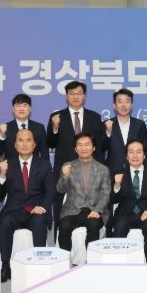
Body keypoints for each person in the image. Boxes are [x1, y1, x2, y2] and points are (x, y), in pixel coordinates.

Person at [0, 129, 55, 282]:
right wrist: (2, 175)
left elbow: (51, 191)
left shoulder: (44, 164)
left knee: (39, 221)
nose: (24, 144)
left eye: (28, 140)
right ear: (15, 145)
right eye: (20, 140)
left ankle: (39, 263)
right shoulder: (7, 164)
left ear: (34, 144)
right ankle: (5, 266)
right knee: (5, 222)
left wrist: (43, 207)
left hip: (35, 210)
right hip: (14, 211)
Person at [47, 82, 103, 233]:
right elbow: (50, 143)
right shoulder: (56, 117)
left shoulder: (94, 117)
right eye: (72, 93)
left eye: (79, 93)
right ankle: (60, 235)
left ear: (84, 96)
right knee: (61, 205)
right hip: (65, 169)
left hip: (89, 169)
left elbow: (98, 146)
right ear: (66, 97)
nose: (75, 97)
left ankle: (91, 237)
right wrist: (55, 127)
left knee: (90, 207)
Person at [56, 133, 111, 253]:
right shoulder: (68, 166)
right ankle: (65, 259)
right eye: (80, 145)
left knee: (93, 225)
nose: (83, 148)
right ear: (76, 149)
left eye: (87, 145)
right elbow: (60, 190)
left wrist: (97, 210)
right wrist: (65, 177)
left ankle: (91, 259)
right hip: (72, 210)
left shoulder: (103, 169)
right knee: (64, 227)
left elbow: (105, 194)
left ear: (93, 148)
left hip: (93, 210)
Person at [110, 140, 147, 263]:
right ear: (126, 156)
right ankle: (118, 263)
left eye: (138, 152)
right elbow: (113, 199)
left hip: (146, 212)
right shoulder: (119, 174)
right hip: (125, 213)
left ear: (144, 155)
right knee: (119, 225)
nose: (135, 155)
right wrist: (117, 185)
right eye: (131, 152)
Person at [99, 88, 147, 175]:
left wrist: (145, 171)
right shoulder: (106, 124)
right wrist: (108, 132)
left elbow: (146, 150)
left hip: (135, 172)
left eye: (127, 101)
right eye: (120, 102)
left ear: (131, 105)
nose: (123, 105)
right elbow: (101, 148)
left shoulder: (140, 125)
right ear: (114, 105)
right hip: (112, 172)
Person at [0, 94, 49, 162]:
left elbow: (45, 154)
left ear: (30, 109)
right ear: (13, 109)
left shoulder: (39, 128)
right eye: (18, 106)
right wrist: (1, 136)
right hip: (11, 167)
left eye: (25, 105)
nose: (21, 109)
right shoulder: (5, 128)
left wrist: (46, 168)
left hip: (34, 168)